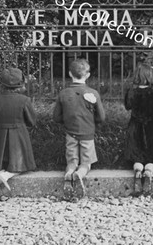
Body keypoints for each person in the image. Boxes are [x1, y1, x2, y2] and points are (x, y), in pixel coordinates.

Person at [54, 59, 106, 200]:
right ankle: (80, 174)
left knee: (71, 161)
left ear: (70, 73)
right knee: (86, 162)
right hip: (87, 133)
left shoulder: (64, 93)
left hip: (70, 133)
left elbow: (56, 117)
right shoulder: (93, 93)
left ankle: (70, 172)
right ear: (88, 75)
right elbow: (101, 117)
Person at [0, 67, 36, 192]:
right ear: (20, 83)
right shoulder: (24, 100)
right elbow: (31, 122)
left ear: (2, 84)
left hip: (0, 136)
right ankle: (4, 176)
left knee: (3, 163)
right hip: (19, 136)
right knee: (21, 166)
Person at [124, 63, 153, 195]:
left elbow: (128, 106)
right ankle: (148, 171)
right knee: (152, 156)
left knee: (136, 154)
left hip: (135, 125)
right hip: (152, 125)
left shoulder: (131, 91)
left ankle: (137, 170)